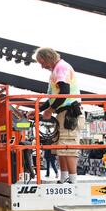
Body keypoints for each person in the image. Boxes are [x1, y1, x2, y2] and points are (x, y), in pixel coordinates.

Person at [28, 47, 85, 184]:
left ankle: (72, 180)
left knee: (67, 146)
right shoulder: (57, 69)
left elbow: (64, 91)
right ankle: (64, 177)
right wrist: (38, 109)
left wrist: (49, 110)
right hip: (63, 112)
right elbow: (53, 98)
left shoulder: (60, 68)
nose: (42, 66)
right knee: (61, 146)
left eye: (42, 62)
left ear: (48, 58)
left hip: (69, 113)